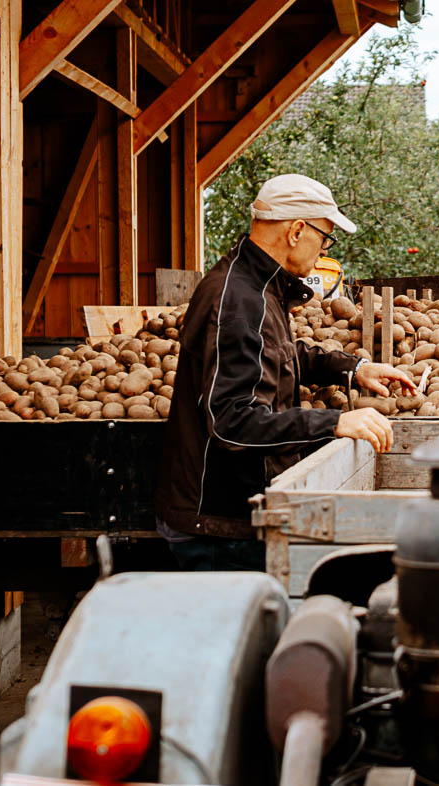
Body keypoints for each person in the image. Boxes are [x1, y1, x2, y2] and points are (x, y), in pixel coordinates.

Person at [156, 173, 414, 571]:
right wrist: (334, 423)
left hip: (229, 518)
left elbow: (274, 353)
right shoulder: (240, 300)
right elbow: (231, 422)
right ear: (296, 230)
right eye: (325, 238)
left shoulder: (257, 287)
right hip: (217, 528)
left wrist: (353, 368)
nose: (325, 249)